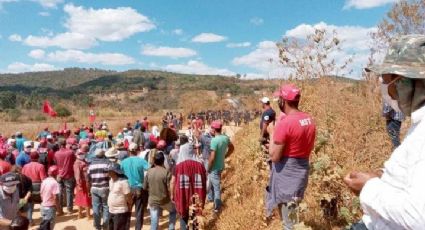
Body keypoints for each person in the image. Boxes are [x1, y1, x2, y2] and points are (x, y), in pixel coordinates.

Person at [344, 35, 425, 229]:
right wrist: (382, 175)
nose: (387, 91)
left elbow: (419, 217)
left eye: (388, 82)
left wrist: (368, 186)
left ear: (407, 82)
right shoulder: (417, 122)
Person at [266, 84, 316, 229]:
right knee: (292, 211)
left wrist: (271, 133)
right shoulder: (309, 119)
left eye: (279, 99)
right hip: (301, 170)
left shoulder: (286, 123)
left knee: (289, 221)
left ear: (283, 101)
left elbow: (274, 156)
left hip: (287, 174)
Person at [171, 139, 207, 229]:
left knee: (183, 216)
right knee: (195, 218)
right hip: (197, 196)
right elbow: (205, 180)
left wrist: (172, 194)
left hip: (183, 195)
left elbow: (172, 182)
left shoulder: (178, 166)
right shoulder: (200, 165)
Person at [144, 152, 177, 230]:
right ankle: (171, 228)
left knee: (154, 219)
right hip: (164, 200)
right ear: (163, 161)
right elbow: (170, 188)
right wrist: (172, 197)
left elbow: (145, 187)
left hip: (153, 200)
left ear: (154, 161)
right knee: (173, 211)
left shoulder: (149, 172)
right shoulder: (166, 172)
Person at [120, 143, 149, 230]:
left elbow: (120, 173)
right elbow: (149, 168)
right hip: (139, 188)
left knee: (127, 210)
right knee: (139, 211)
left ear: (129, 151)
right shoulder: (141, 161)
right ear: (137, 151)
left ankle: (126, 227)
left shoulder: (123, 162)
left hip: (127, 188)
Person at [207, 120, 234, 213]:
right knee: (212, 183)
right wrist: (225, 155)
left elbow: (212, 157)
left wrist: (208, 167)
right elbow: (232, 148)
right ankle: (211, 199)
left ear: (214, 129)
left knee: (216, 187)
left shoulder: (214, 140)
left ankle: (217, 207)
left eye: (212, 128)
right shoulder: (225, 138)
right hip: (221, 165)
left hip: (214, 167)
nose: (211, 129)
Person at [88, 149, 110, 230]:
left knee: (96, 207)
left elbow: (88, 179)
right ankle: (105, 226)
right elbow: (110, 176)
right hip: (105, 188)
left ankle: (97, 226)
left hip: (94, 188)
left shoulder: (91, 165)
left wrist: (88, 190)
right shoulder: (107, 163)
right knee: (106, 206)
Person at [54, 139, 76, 214]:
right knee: (69, 192)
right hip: (69, 174)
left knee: (60, 191)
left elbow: (56, 163)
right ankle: (69, 209)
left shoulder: (56, 153)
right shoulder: (70, 152)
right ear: (65, 143)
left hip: (59, 175)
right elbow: (74, 161)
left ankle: (60, 210)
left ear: (59, 145)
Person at [107, 163, 131, 230]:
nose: (108, 172)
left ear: (115, 172)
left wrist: (129, 206)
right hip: (111, 210)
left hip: (120, 212)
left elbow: (128, 196)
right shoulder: (111, 180)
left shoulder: (124, 182)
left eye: (109, 171)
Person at [39, 166, 60, 230]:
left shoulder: (44, 181)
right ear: (56, 174)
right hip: (50, 207)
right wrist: (58, 207)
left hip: (43, 206)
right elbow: (55, 197)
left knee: (44, 226)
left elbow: (41, 194)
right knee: (50, 227)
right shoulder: (55, 183)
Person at [74, 146, 92, 219]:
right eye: (81, 154)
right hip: (82, 183)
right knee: (85, 198)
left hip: (84, 182)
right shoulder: (77, 163)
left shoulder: (84, 161)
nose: (82, 155)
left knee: (82, 198)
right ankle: (87, 215)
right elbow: (77, 175)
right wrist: (79, 184)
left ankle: (80, 214)